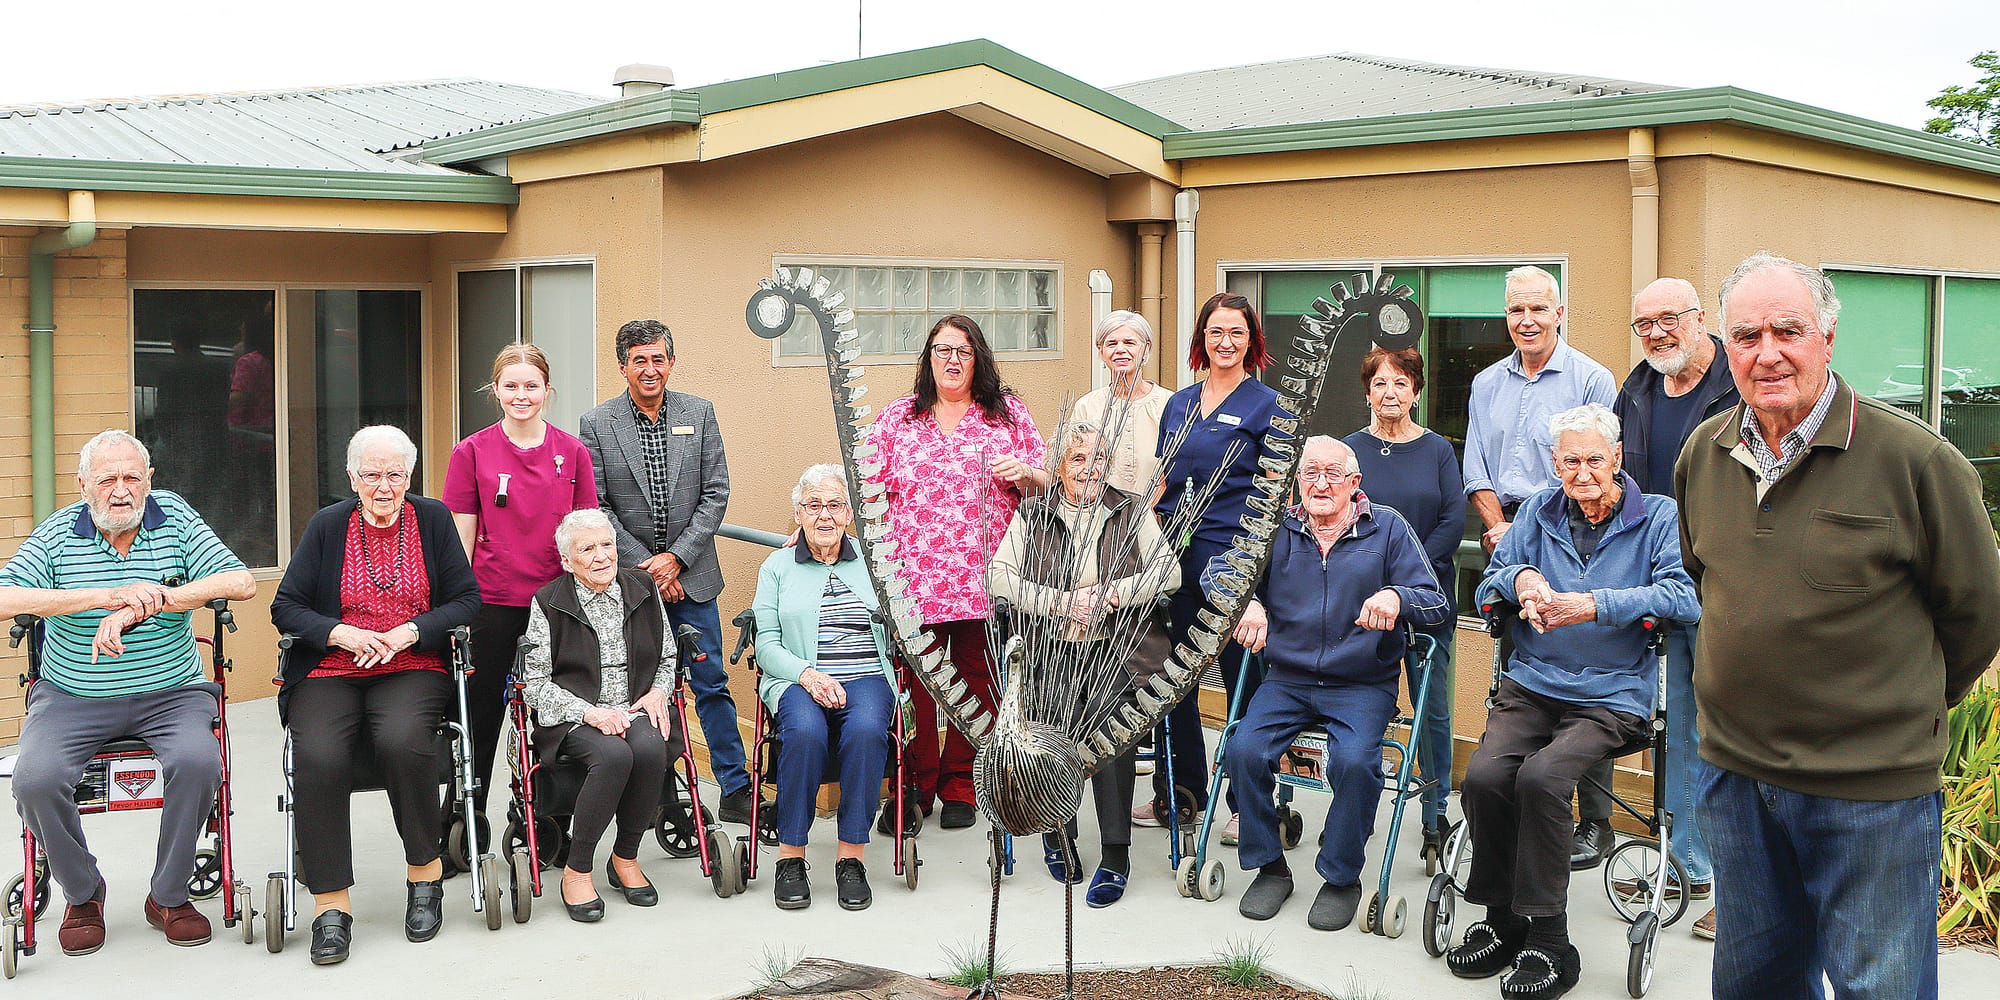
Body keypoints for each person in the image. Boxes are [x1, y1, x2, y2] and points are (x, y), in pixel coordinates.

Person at [1677, 252, 2000, 1000]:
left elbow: (1975, 617)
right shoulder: (1705, 453)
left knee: (1878, 989)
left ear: (1827, 336)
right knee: (1755, 983)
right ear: (1725, 350)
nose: (1768, 352)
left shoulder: (1917, 461)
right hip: (1736, 779)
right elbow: (1710, 578)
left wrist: (1885, 710)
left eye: (1787, 330)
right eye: (1746, 335)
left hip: (1871, 794)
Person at [1450, 403, 1698, 1000]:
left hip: (1613, 694)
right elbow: (1489, 582)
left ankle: (1552, 942)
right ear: (1554, 463)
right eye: (1569, 461)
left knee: (1542, 778)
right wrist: (1521, 581)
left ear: (1616, 458)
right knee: (1483, 777)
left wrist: (1591, 604)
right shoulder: (1536, 511)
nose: (1582, 472)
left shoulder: (1658, 516)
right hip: (1535, 682)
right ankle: (1502, 921)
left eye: (1593, 459)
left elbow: (1682, 597)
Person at [1, 430, 256, 956]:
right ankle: (83, 894)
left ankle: (167, 895)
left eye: (132, 478)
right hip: (74, 695)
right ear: (84, 485)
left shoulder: (175, 518)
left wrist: (156, 599)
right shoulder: (57, 534)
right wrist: (104, 596)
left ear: (149, 481)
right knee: (35, 778)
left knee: (199, 761)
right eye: (107, 479)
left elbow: (239, 581)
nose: (121, 490)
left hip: (171, 692)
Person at [269, 425, 481, 966]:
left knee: (404, 739)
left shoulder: (431, 520)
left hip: (411, 663)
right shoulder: (326, 526)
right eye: (371, 474)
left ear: (409, 477)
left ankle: (424, 876)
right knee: (318, 752)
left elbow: (466, 600)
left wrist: (410, 631)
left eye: (394, 474)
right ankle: (331, 906)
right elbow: (286, 607)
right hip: (331, 669)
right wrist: (341, 633)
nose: (383, 486)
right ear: (352, 478)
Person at [1220, 436, 1448, 930]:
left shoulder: (1386, 528)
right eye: (1309, 474)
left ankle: (1342, 876)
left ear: (1354, 482)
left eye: (1331, 474)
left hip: (1362, 682)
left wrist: (1395, 596)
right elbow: (1221, 571)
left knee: (1356, 762)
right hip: (1288, 677)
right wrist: (1248, 602)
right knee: (1241, 750)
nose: (1319, 484)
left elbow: (1435, 600)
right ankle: (1270, 867)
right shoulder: (1276, 528)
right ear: (1297, 480)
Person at [1459, 264, 1619, 871]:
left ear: (1559, 312)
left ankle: (1594, 822)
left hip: (1578, 528)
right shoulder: (1484, 383)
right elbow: (1476, 463)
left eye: (1537, 309)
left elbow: (1599, 469)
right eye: (1515, 311)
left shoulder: (1591, 378)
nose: (1526, 321)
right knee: (1518, 671)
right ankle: (1519, 797)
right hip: (1505, 528)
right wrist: (1498, 525)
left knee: (1584, 663)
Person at [866, 314, 1048, 832]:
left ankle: (962, 784)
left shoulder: (1006, 415)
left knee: (978, 682)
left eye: (963, 351)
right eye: (942, 350)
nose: (951, 360)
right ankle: (916, 785)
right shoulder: (900, 418)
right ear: (928, 359)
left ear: (979, 359)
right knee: (917, 686)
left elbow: (1048, 483)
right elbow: (867, 491)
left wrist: (1028, 474)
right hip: (913, 583)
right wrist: (813, 526)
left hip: (987, 580)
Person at [988, 424, 1178, 907]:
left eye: (1097, 459)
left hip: (1119, 652)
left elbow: (1168, 571)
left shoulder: (1131, 510)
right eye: (1077, 460)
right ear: (1058, 467)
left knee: (1109, 733)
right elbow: (999, 579)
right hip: (1050, 652)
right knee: (1050, 731)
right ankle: (1057, 833)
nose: (1088, 469)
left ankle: (1115, 851)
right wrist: (1057, 603)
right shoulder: (1033, 514)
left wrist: (1114, 594)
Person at [1601, 276, 1738, 939]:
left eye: (1667, 319)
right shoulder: (1640, 388)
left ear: (1698, 317)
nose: (1656, 332)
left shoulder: (1738, 385)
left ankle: (1743, 884)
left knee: (1736, 731)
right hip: (1668, 586)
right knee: (1681, 728)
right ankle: (1689, 861)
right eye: (1643, 323)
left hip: (1734, 589)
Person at [578, 320, 752, 823]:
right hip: (630, 586)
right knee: (640, 690)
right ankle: (660, 794)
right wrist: (648, 568)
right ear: (623, 366)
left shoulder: (699, 413)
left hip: (693, 579)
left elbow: (715, 492)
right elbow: (598, 503)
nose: (649, 369)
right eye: (639, 360)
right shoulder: (598, 423)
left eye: (658, 359)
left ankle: (735, 787)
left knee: (710, 683)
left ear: (671, 362)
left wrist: (677, 557)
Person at [1141, 291, 1284, 843]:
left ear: (1252, 342)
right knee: (1171, 682)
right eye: (1216, 332)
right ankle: (1179, 794)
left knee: (1244, 685)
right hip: (1173, 561)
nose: (1226, 343)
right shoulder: (1178, 404)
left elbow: (1273, 497)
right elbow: (1163, 483)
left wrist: (1251, 575)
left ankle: (1247, 803)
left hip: (1233, 562)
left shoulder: (1267, 406)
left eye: (1237, 334)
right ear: (1201, 339)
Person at [443, 344, 598, 831]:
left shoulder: (571, 452)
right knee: (480, 717)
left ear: (547, 391)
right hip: (491, 604)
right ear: (496, 391)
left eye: (531, 385)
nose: (521, 394)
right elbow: (460, 538)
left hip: (558, 607)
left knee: (553, 715)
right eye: (511, 385)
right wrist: (458, 608)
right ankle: (464, 818)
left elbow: (587, 531)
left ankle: (546, 818)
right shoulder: (471, 452)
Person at [751, 465, 900, 911]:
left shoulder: (877, 563)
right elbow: (766, 643)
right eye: (813, 506)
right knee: (803, 733)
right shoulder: (777, 567)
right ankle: (791, 857)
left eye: (834, 505)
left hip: (867, 674)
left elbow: (902, 622)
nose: (824, 516)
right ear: (798, 514)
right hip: (799, 676)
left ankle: (851, 857)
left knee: (867, 730)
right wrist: (806, 675)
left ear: (850, 514)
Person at [1342, 346, 1465, 860]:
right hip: (1362, 603)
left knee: (1431, 710)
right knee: (1360, 709)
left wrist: (1405, 576)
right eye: (1379, 383)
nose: (1389, 393)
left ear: (1416, 391)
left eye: (1400, 383)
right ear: (1367, 392)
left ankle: (1435, 813)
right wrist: (1378, 580)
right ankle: (1357, 812)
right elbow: (1341, 517)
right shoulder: (1349, 450)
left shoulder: (1438, 450)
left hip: (1425, 601)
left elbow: (1454, 520)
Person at [521, 509, 672, 922]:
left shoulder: (641, 587)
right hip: (575, 715)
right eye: (587, 548)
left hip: (634, 706)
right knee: (614, 755)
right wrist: (590, 713)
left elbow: (668, 653)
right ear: (567, 561)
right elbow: (535, 684)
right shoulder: (548, 602)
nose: (602, 555)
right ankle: (578, 869)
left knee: (650, 748)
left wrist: (659, 690)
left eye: (607, 544)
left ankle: (625, 857)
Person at [1069, 310, 1175, 497]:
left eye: (1129, 343)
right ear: (1101, 351)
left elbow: (1178, 468)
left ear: (1146, 348)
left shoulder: (1170, 403)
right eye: (1111, 343)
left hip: (1158, 516)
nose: (1120, 349)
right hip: (1100, 516)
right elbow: (1073, 465)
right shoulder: (1087, 406)